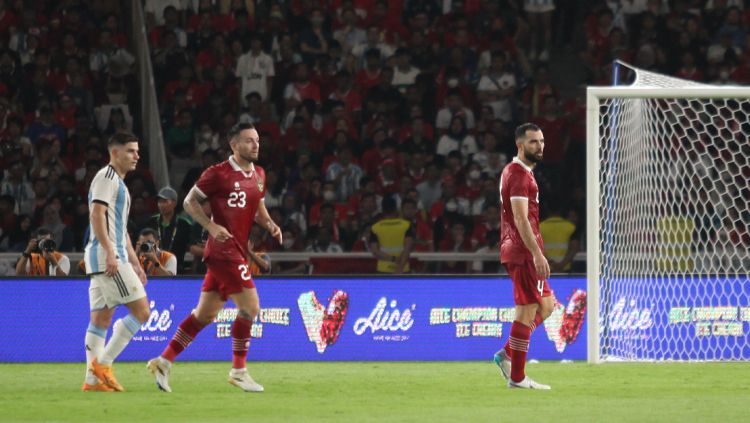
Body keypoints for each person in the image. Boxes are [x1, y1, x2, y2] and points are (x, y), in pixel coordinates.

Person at [147, 123, 282, 393]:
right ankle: (238, 370)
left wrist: (269, 224)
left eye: (257, 140)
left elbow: (257, 204)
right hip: (224, 252)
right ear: (234, 145)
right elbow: (188, 202)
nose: (256, 145)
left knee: (204, 315)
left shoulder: (259, 174)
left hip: (235, 253)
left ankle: (164, 361)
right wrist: (210, 227)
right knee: (251, 308)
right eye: (248, 141)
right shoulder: (217, 173)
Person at [83, 132, 151, 392]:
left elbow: (120, 228)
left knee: (100, 320)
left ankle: (92, 381)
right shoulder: (106, 177)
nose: (137, 156)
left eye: (137, 151)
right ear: (115, 153)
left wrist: (134, 261)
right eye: (131, 151)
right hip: (107, 258)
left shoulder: (118, 183)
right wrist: (111, 252)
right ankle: (103, 364)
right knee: (142, 312)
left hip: (107, 256)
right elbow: (96, 214)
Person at [494, 123, 554, 390]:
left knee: (548, 306)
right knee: (527, 312)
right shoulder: (518, 174)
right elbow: (519, 217)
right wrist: (536, 253)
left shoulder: (520, 173)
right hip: (523, 251)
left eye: (541, 141)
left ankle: (507, 353)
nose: (539, 146)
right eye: (533, 142)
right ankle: (517, 377)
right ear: (520, 145)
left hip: (520, 249)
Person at [146, 186, 192, 271]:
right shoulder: (151, 222)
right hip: (154, 267)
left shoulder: (184, 224)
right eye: (159, 202)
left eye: (165, 201)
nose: (161, 205)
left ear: (174, 203)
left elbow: (190, 246)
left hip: (178, 268)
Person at [369, 195, 414, 274]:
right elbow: (408, 248)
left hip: (383, 269)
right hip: (403, 269)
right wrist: (400, 267)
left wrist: (393, 259)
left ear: (382, 209)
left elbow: (375, 251)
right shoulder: (406, 225)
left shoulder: (375, 227)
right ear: (396, 209)